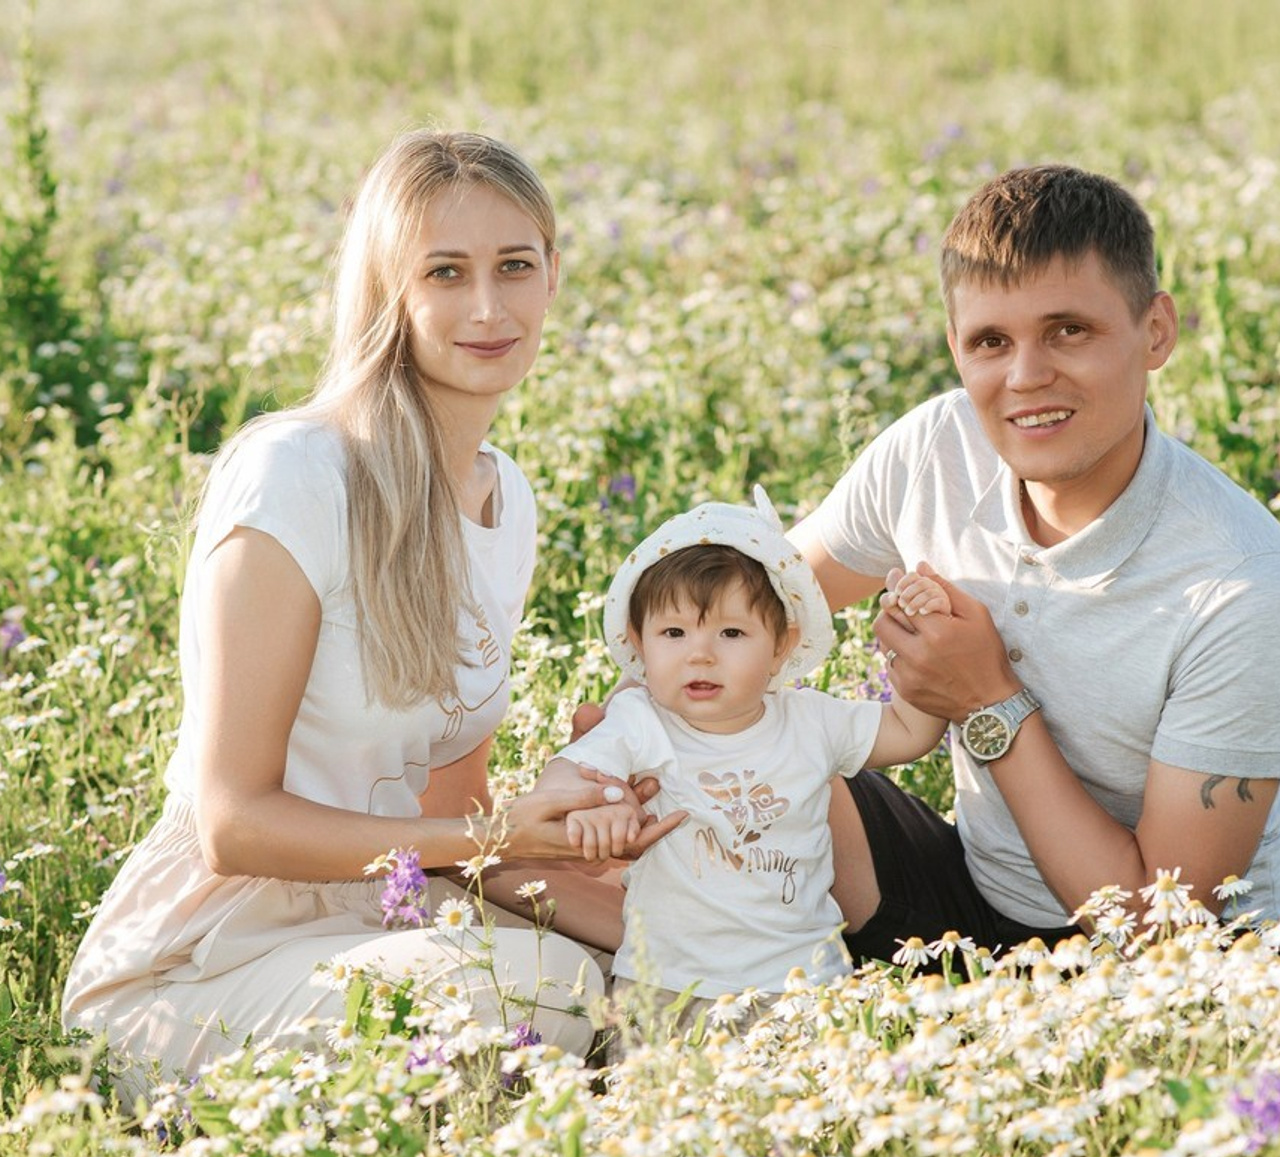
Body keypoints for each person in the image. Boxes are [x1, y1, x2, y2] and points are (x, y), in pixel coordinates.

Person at [62, 129, 674, 1100]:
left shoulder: (503, 499)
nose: (488, 307)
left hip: (387, 914)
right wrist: (503, 834)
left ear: (553, 275)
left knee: (664, 963)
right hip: (202, 958)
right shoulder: (296, 474)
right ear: (389, 286)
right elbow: (234, 822)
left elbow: (447, 817)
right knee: (541, 990)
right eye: (445, 272)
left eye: (515, 266)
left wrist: (647, 918)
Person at [786, 162, 1280, 960]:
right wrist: (638, 731)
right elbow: (760, 599)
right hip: (972, 893)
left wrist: (987, 701)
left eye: (1068, 331)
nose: (1025, 377)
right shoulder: (936, 448)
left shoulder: (1240, 584)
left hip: (1172, 968)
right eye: (990, 341)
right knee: (752, 774)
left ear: (1156, 330)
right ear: (955, 347)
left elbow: (1158, 932)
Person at [534, 488, 948, 1020]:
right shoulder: (640, 721)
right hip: (667, 986)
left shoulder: (811, 721)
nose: (700, 654)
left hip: (803, 983)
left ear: (781, 646)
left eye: (731, 632)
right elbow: (568, 772)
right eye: (673, 632)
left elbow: (911, 731)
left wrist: (921, 637)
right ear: (639, 644)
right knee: (659, 1073)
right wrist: (590, 808)